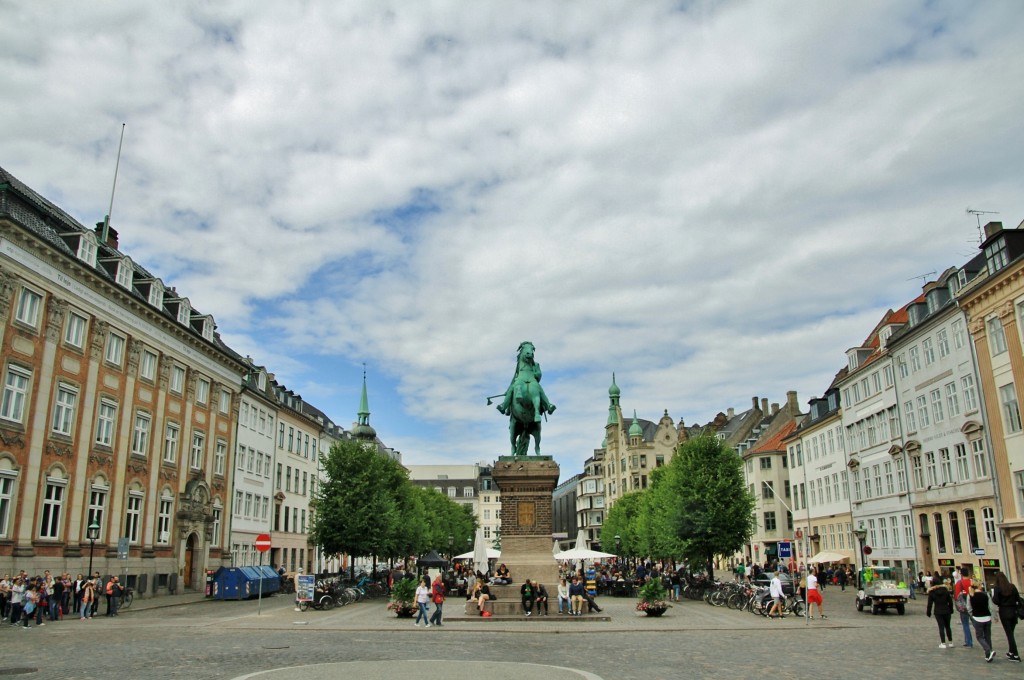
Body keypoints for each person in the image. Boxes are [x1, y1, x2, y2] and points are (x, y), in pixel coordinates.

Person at [991, 571, 1021, 661]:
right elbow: (1018, 598)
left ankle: (1015, 655)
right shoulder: (1012, 586)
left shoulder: (997, 588)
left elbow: (996, 601)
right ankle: (1011, 652)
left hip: (1004, 612)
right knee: (1011, 632)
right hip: (1013, 612)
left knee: (1009, 634)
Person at [969, 581, 995, 662]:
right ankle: (989, 655)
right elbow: (991, 606)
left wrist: (971, 616)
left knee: (979, 637)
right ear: (980, 586)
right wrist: (994, 616)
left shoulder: (971, 595)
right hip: (987, 617)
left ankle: (988, 650)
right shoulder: (985, 594)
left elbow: (969, 608)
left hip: (977, 618)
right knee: (988, 636)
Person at [927, 574, 955, 649]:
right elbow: (950, 602)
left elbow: (930, 604)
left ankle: (943, 643)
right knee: (948, 626)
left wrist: (928, 612)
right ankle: (951, 642)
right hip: (946, 610)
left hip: (938, 611)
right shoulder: (945, 590)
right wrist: (951, 609)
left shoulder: (932, 592)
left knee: (941, 627)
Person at [953, 571, 973, 648]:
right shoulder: (972, 581)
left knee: (965, 624)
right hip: (973, 604)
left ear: (961, 575)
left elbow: (956, 596)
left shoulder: (959, 583)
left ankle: (969, 642)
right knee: (976, 624)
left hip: (964, 606)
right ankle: (982, 640)